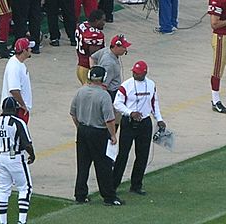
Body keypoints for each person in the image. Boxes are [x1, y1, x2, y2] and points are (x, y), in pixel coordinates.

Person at [70, 66, 124, 206]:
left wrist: (79, 127)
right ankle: (109, 196)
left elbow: (73, 113)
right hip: (98, 133)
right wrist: (113, 135)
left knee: (83, 164)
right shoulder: (104, 95)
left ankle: (80, 194)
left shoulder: (80, 91)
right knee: (103, 166)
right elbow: (109, 119)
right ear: (104, 78)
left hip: (82, 131)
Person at [113, 61, 166, 195]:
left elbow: (154, 103)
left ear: (145, 73)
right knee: (123, 154)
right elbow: (117, 104)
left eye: (138, 73)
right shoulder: (126, 85)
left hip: (144, 123)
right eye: (134, 72)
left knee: (142, 155)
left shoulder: (151, 85)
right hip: (129, 122)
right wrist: (130, 112)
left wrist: (159, 119)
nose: (135, 74)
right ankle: (113, 184)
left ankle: (136, 184)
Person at [0, 97, 35, 224]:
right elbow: (27, 144)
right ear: (15, 109)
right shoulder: (18, 123)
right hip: (15, 157)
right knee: (25, 188)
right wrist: (32, 155)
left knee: (3, 189)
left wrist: (0, 150)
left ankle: (3, 222)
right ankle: (21, 221)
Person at [90, 34, 131, 130]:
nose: (125, 50)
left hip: (110, 90)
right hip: (111, 92)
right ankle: (111, 134)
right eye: (124, 47)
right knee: (113, 117)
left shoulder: (106, 50)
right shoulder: (109, 64)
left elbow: (92, 58)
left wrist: (93, 70)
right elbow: (103, 86)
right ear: (116, 46)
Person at [0, 38, 35, 124]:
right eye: (29, 48)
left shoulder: (19, 63)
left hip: (19, 109)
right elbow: (14, 90)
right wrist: (23, 105)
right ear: (24, 51)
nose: (31, 49)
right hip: (16, 110)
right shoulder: (14, 67)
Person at [75, 9, 105, 85]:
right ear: (96, 20)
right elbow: (94, 56)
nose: (104, 23)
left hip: (80, 66)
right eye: (102, 20)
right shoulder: (95, 36)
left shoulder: (83, 25)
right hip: (88, 69)